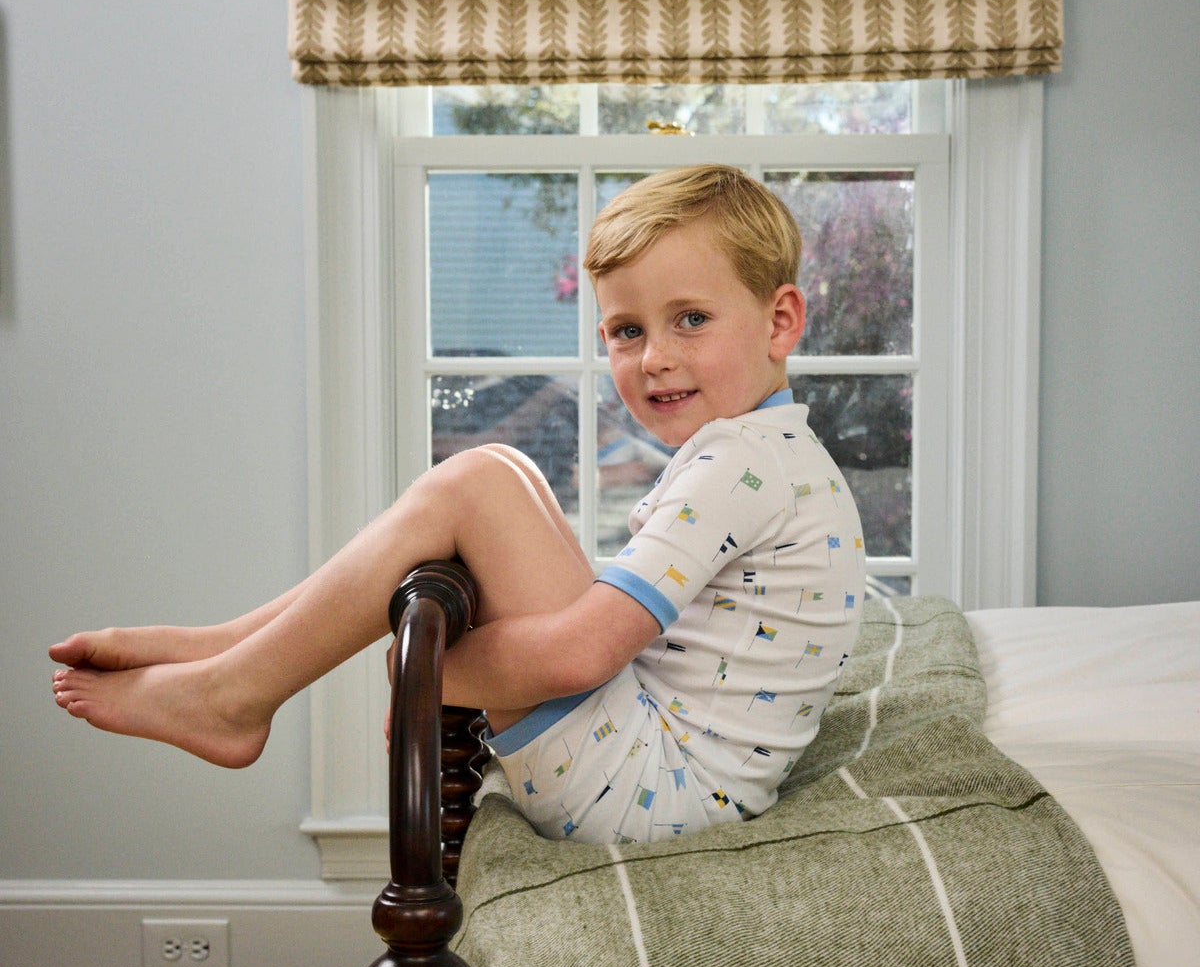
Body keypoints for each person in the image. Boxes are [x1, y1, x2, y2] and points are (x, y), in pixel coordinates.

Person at [51, 164, 864, 845]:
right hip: (667, 775)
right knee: (503, 468)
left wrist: (423, 671)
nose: (654, 357)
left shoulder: (740, 464)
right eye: (625, 331)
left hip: (651, 790)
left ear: (780, 321)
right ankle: (233, 651)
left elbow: (581, 654)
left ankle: (235, 692)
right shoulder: (767, 452)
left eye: (690, 319)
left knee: (478, 481)